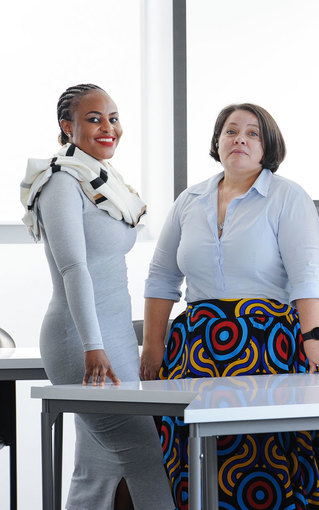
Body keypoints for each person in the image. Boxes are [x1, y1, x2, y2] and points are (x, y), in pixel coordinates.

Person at [140, 103, 319, 509]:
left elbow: (307, 275)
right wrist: (152, 345)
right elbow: (162, 278)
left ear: (267, 148)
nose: (240, 140)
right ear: (217, 142)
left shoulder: (287, 197)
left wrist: (315, 337)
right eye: (231, 131)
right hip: (195, 350)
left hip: (266, 348)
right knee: (197, 462)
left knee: (265, 458)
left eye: (253, 134)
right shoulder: (188, 200)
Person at [20, 84, 173, 509]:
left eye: (113, 118)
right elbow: (74, 268)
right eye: (93, 119)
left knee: (99, 464)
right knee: (144, 451)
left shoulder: (102, 181)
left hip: (113, 337)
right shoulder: (60, 182)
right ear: (67, 128)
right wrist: (93, 345)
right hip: (82, 339)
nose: (108, 128)